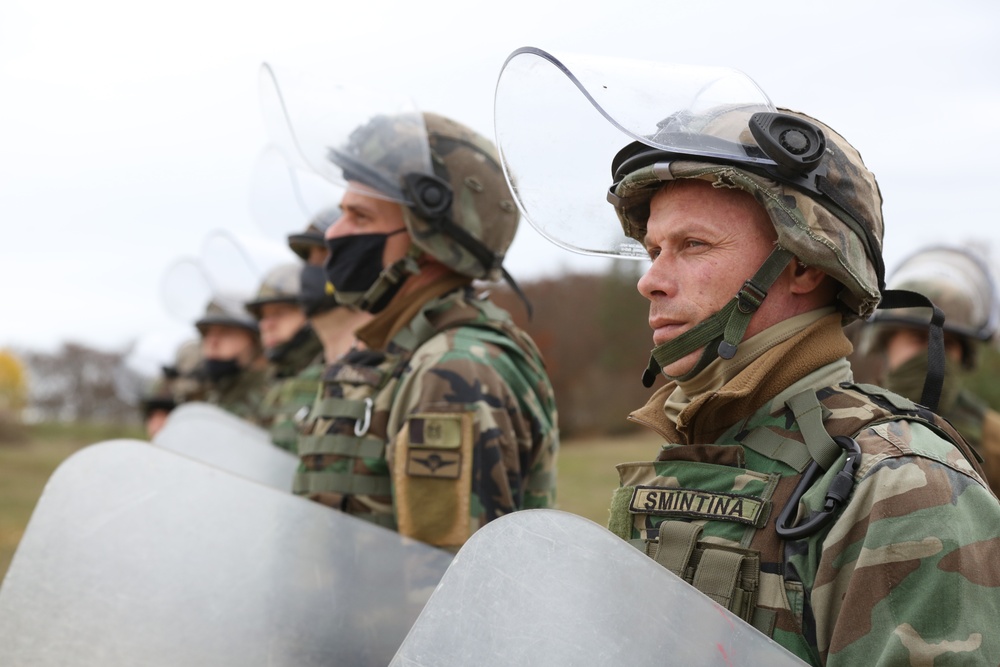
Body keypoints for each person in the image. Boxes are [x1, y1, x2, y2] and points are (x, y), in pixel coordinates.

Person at [493, 49, 1000, 665]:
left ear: (804, 265)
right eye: (653, 249)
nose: (650, 280)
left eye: (692, 245)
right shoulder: (701, 450)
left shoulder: (901, 487)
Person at [267, 79, 559, 550]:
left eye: (360, 218)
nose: (336, 234)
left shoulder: (454, 369)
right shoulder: (399, 355)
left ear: (430, 245)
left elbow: (440, 588)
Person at [858, 245, 1000, 493]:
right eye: (919, 338)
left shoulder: (994, 438)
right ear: (885, 343)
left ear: (965, 356)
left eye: (949, 342)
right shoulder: (849, 417)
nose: (934, 354)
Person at [245, 263, 324, 452]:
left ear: (310, 312)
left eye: (279, 313)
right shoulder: (268, 382)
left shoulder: (331, 371)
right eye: (263, 317)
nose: (266, 325)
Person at [195, 295, 269, 424]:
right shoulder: (213, 393)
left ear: (255, 341)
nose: (213, 342)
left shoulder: (272, 393)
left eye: (225, 333)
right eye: (207, 333)